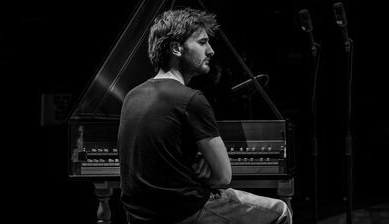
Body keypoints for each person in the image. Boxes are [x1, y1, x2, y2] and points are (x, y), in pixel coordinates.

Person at [118, 7, 292, 224]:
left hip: (138, 216)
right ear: (176, 48)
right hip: (183, 213)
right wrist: (206, 171)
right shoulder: (191, 99)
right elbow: (223, 177)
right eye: (202, 43)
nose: (210, 51)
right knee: (280, 210)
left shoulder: (132, 96)